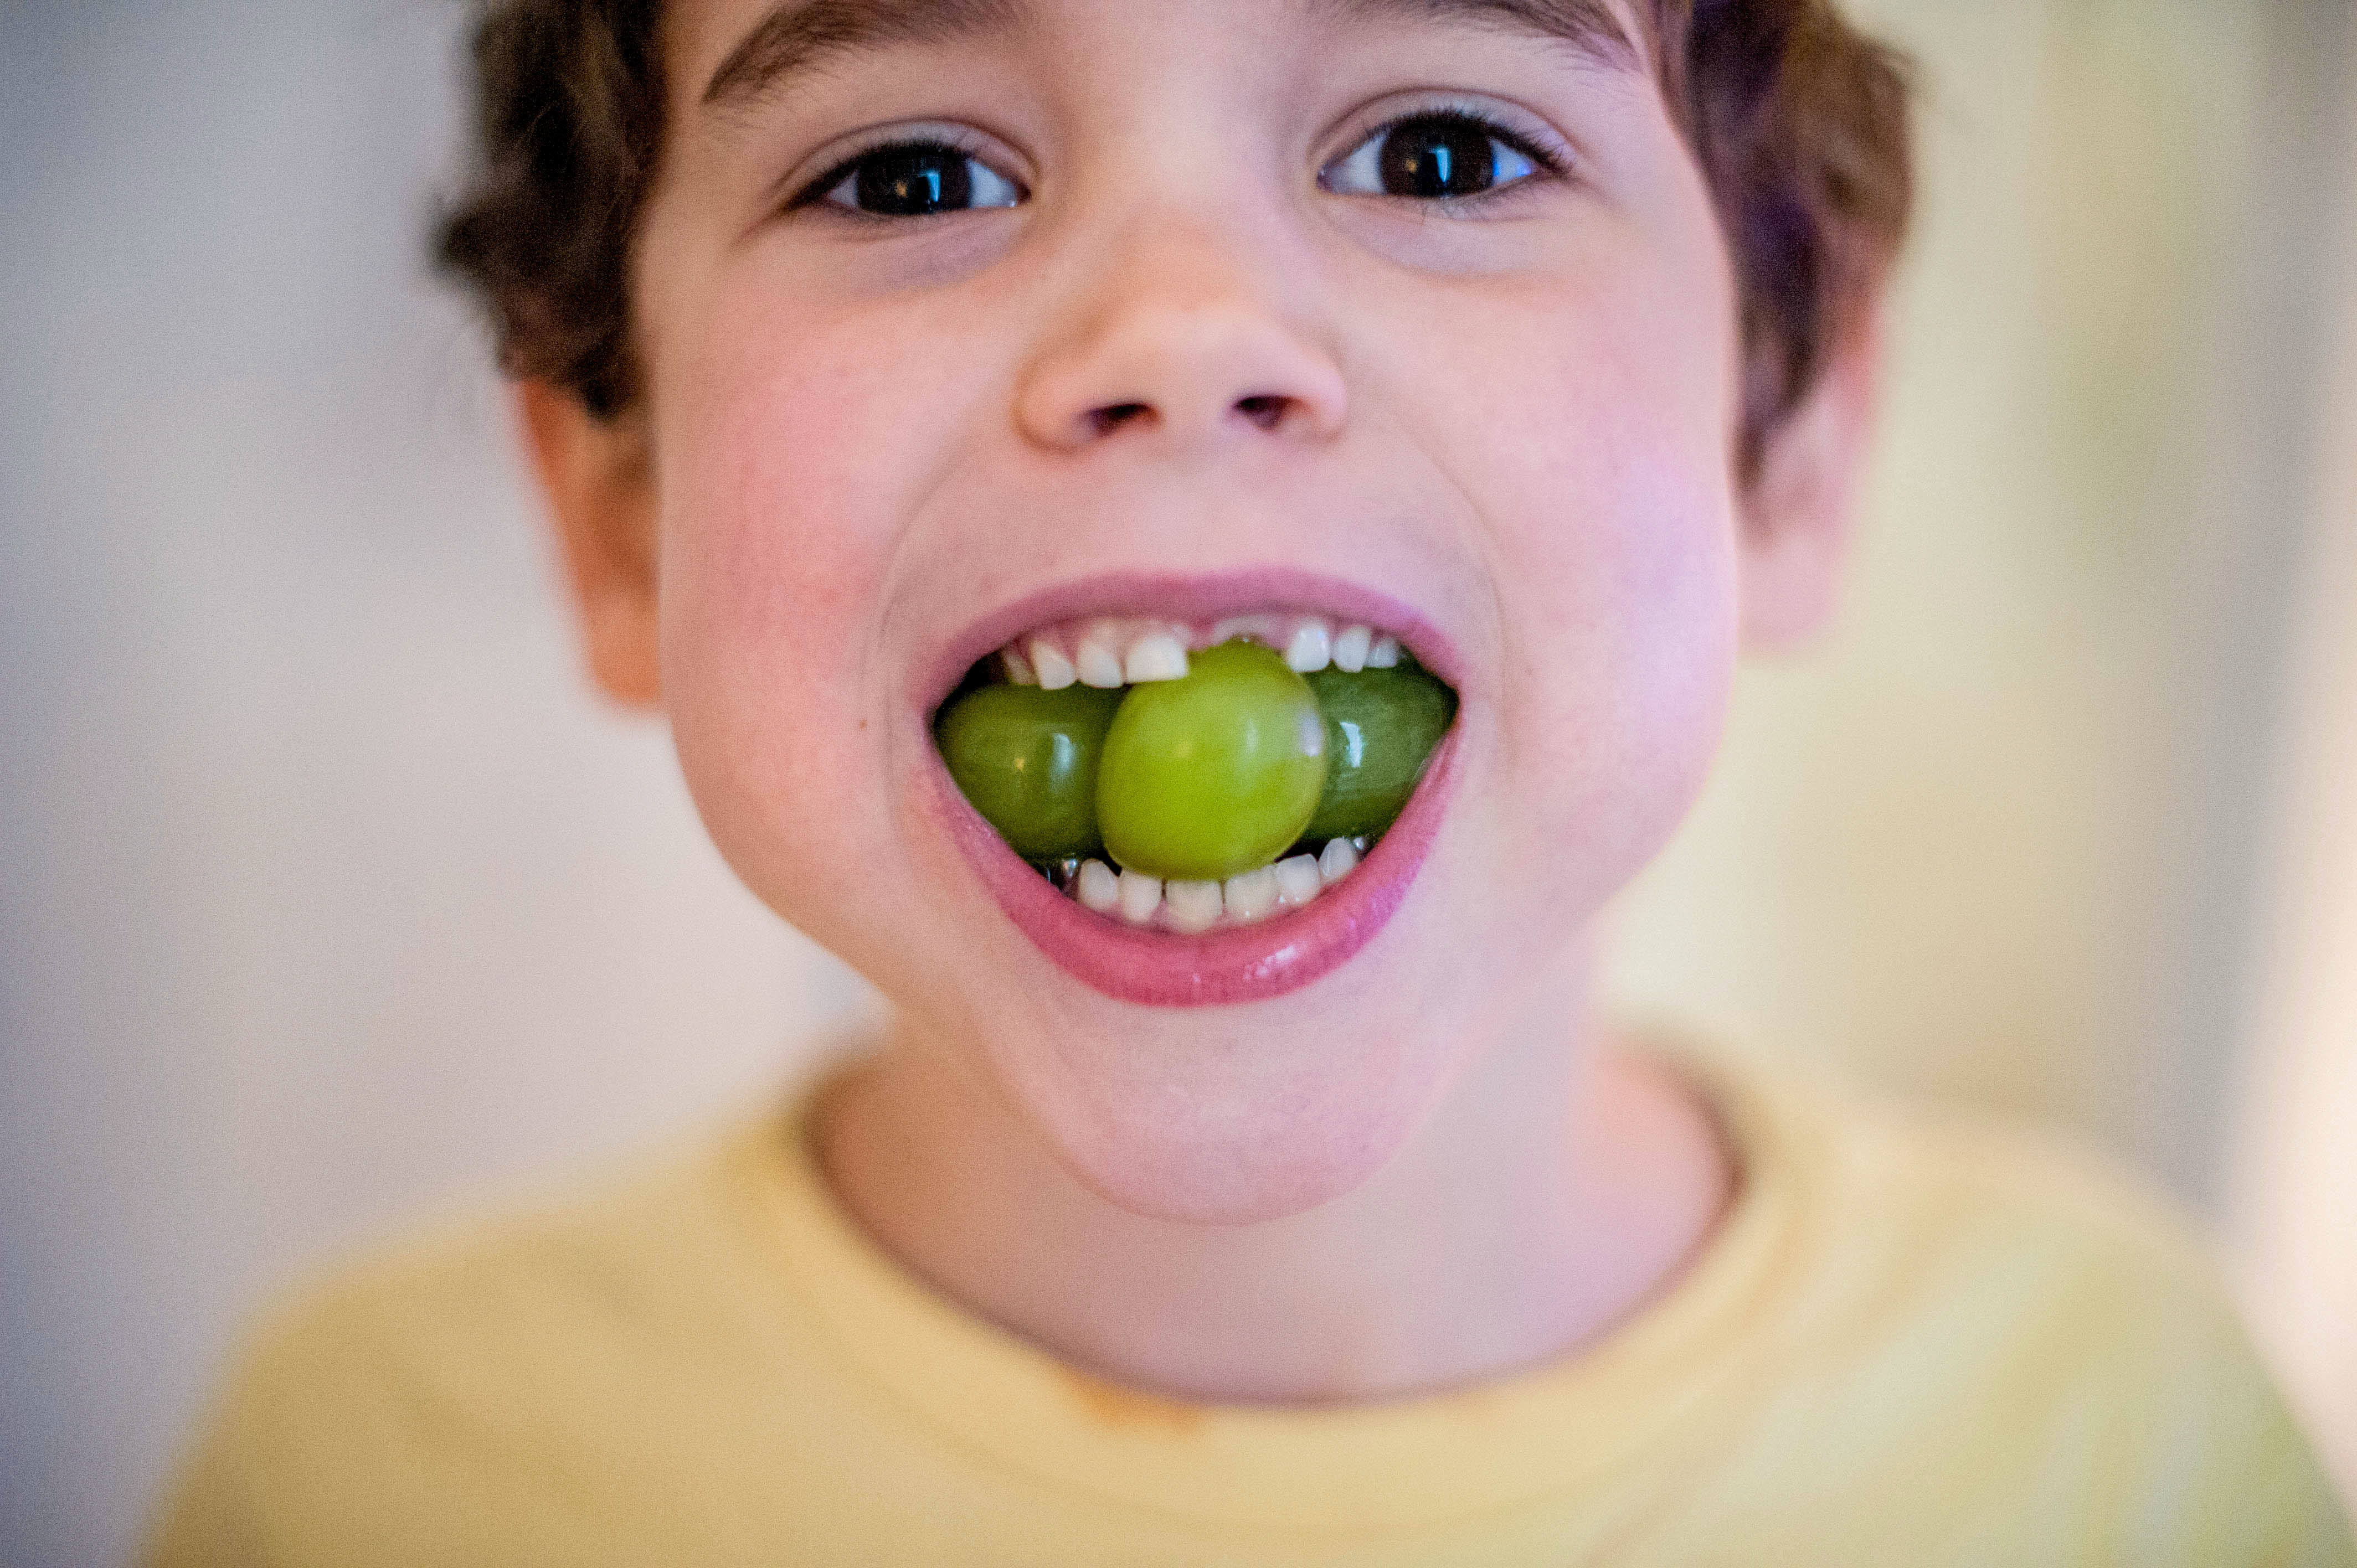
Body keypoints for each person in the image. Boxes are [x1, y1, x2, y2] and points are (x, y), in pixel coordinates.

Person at [146, 0, 2355, 1561]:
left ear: (1784, 442)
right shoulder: (375, 1484)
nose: (1182, 326)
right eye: (909, 171)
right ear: (616, 510)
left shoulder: (2112, 1449)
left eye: (1443, 151)